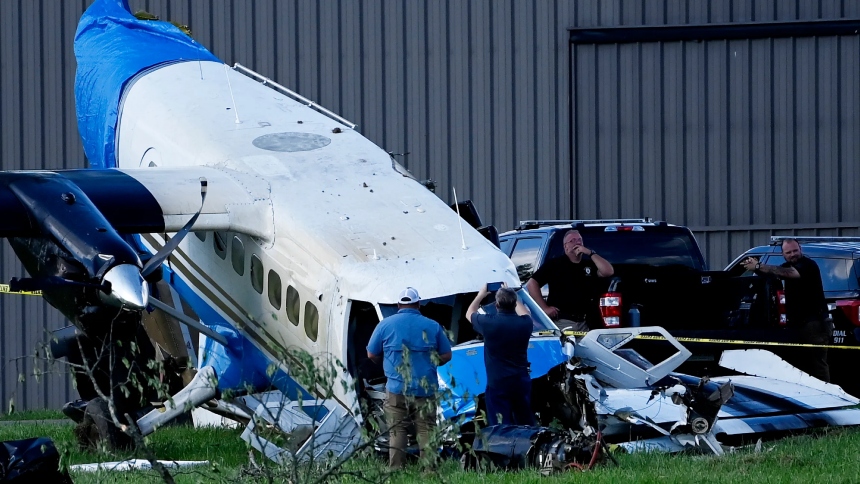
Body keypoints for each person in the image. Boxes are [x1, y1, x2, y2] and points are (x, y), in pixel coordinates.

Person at [366, 287, 452, 469]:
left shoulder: (385, 325)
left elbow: (371, 354)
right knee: (426, 429)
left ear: (399, 305)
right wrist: (430, 363)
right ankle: (429, 471)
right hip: (425, 388)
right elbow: (446, 355)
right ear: (418, 304)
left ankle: (396, 469)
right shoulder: (432, 325)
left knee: (397, 430)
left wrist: (385, 364)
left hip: (396, 388)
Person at [741, 238, 831, 381]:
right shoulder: (785, 266)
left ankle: (826, 399)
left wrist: (758, 266)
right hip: (795, 324)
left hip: (814, 323)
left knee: (817, 365)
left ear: (800, 249)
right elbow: (774, 274)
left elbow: (787, 273)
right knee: (799, 365)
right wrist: (755, 268)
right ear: (782, 254)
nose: (793, 254)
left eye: (795, 250)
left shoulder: (808, 265)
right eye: (788, 252)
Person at [465, 284, 535, 426]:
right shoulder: (525, 323)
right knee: (525, 423)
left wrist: (481, 295)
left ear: (496, 304)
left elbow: (469, 313)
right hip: (520, 381)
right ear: (514, 303)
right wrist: (513, 295)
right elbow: (526, 313)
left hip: (498, 383)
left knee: (500, 425)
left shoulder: (489, 323)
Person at [526, 229, 614, 331]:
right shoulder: (555, 265)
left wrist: (590, 253)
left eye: (579, 240)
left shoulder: (589, 265)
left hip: (586, 322)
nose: (577, 242)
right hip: (563, 321)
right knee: (567, 347)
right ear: (565, 246)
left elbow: (608, 271)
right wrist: (544, 308)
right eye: (572, 241)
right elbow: (532, 283)